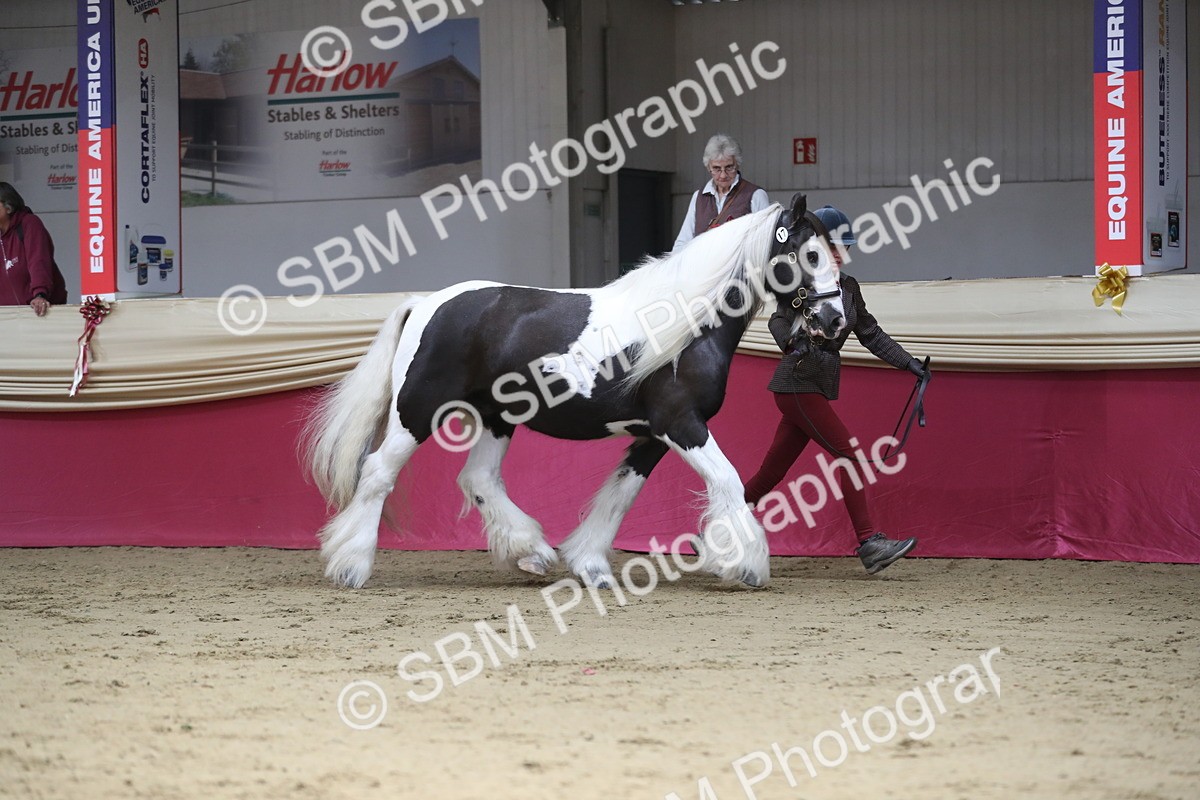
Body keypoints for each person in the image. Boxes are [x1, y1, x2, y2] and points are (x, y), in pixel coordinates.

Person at [743, 204, 928, 574]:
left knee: (771, 472)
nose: (842, 255)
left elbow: (871, 333)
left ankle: (719, 528)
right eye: (834, 248)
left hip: (814, 386)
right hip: (797, 381)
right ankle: (869, 542)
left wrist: (910, 364)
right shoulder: (802, 285)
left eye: (845, 248)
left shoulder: (850, 289)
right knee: (852, 454)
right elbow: (778, 320)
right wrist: (794, 342)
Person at [673, 133, 770, 252]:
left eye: (729, 167)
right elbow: (683, 242)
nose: (723, 175)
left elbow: (766, 241)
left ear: (737, 164)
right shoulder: (698, 197)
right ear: (708, 167)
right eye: (717, 169)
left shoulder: (755, 195)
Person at [0, 182, 67, 315]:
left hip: (38, 310)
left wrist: (40, 294)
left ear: (9, 207)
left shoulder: (29, 223)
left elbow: (38, 261)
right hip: (8, 317)